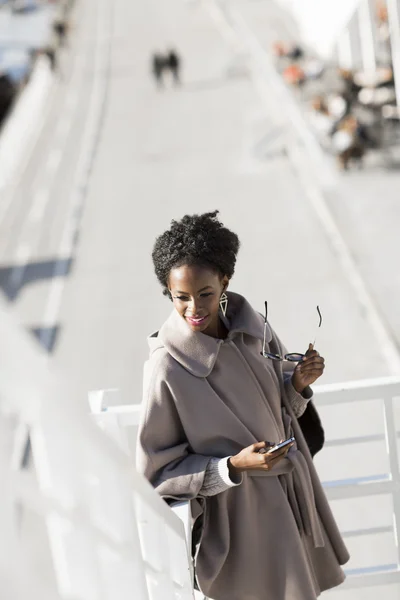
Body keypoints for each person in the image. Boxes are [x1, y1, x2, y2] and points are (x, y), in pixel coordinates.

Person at [136, 211, 350, 600]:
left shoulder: (256, 331)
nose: (194, 308)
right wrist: (232, 467)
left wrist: (298, 385)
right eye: (180, 297)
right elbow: (156, 472)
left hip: (289, 498)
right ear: (168, 292)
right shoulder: (165, 368)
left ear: (225, 282)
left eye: (205, 293)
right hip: (239, 519)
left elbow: (280, 411)